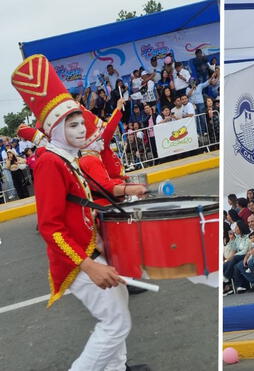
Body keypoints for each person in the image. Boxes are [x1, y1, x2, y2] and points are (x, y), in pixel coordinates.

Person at [11, 55, 150, 370]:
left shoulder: (66, 157)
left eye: (80, 122)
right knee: (115, 323)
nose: (80, 128)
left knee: (118, 312)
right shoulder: (49, 162)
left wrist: (103, 246)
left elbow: (82, 210)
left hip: (89, 250)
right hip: (75, 260)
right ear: (55, 129)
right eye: (72, 124)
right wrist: (90, 265)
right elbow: (49, 227)